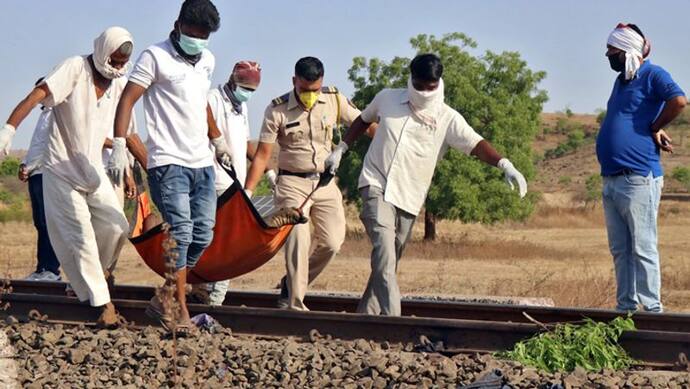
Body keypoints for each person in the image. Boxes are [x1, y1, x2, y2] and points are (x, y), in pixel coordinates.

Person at [326, 53, 528, 316]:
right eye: (418, 85)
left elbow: (475, 144)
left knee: (389, 260)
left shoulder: (447, 117)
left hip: (409, 196)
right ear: (411, 79)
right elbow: (363, 119)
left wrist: (504, 164)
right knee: (385, 251)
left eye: (429, 87)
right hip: (375, 183)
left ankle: (366, 318)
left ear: (438, 83)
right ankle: (394, 322)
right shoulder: (387, 98)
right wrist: (341, 148)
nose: (423, 92)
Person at [0, 27, 142, 327]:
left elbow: (130, 133)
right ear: (102, 52)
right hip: (61, 171)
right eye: (113, 61)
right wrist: (9, 128)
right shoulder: (75, 68)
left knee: (116, 225)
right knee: (81, 237)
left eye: (121, 64)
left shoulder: (119, 84)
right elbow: (35, 96)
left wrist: (149, 168)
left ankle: (95, 277)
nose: (117, 68)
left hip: (92, 170)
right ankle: (103, 305)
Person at [109, 0, 229, 330]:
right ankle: (179, 312)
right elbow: (128, 98)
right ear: (178, 25)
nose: (198, 41)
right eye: (193, 33)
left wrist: (217, 139)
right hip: (167, 162)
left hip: (202, 163)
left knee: (203, 234)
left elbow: (200, 100)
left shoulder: (207, 60)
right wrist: (121, 143)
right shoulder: (155, 56)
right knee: (182, 233)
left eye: (205, 36)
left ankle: (164, 295)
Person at [244, 57, 370, 310]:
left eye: (315, 90)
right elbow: (262, 155)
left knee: (333, 242)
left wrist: (389, 140)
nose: (310, 95)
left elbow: (364, 122)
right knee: (298, 240)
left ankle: (292, 283)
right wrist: (248, 191)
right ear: (294, 82)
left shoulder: (334, 99)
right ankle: (295, 305)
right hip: (291, 184)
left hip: (324, 183)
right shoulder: (277, 109)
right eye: (304, 90)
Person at [596, 23, 686, 313]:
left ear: (628, 50)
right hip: (611, 179)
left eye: (613, 49)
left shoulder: (652, 74)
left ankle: (652, 310)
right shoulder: (622, 80)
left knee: (643, 248)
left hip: (638, 177)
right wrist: (652, 127)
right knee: (621, 250)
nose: (608, 54)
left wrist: (655, 126)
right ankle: (625, 308)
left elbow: (678, 100)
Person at [204, 60, 277, 306]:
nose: (247, 93)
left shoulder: (241, 108)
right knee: (214, 240)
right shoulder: (213, 99)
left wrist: (267, 170)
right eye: (245, 87)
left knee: (229, 242)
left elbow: (246, 144)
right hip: (214, 180)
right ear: (234, 80)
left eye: (252, 90)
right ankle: (208, 294)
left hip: (233, 183)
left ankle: (216, 298)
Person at [18, 79, 60, 281]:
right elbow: (37, 145)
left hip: (49, 173)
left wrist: (33, 166)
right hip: (36, 174)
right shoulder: (44, 114)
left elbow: (52, 146)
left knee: (48, 222)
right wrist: (25, 164)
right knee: (40, 223)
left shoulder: (58, 112)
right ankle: (43, 268)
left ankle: (52, 270)